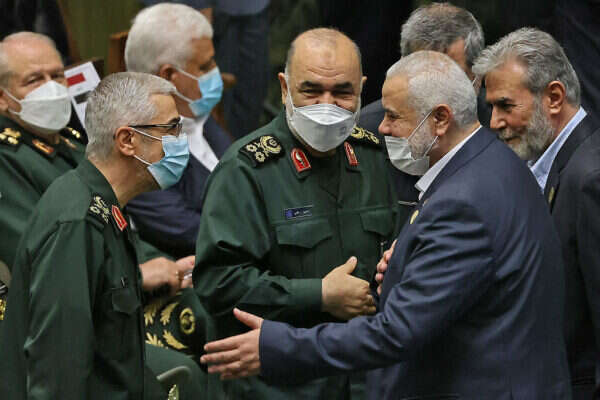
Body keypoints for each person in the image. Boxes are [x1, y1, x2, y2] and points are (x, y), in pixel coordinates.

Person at [199, 51, 572, 399]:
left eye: (394, 116)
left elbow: (396, 331)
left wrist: (277, 346)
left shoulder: (463, 201)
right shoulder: (493, 162)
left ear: (440, 119)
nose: (383, 127)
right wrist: (407, 262)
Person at [189, 28, 396, 399]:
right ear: (284, 88)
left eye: (343, 92)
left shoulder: (373, 157)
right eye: (311, 90)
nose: (327, 105)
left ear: (362, 89)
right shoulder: (247, 170)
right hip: (280, 385)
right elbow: (218, 282)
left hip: (364, 377)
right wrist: (318, 294)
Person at [0, 72, 196, 399]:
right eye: (171, 129)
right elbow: (59, 373)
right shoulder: (77, 222)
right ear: (127, 141)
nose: (180, 139)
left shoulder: (102, 205)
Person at [473, 27, 600, 399]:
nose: (494, 122)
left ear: (554, 98)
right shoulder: (551, 165)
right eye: (491, 107)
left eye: (505, 106)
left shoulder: (590, 178)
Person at [125, 3, 232, 259]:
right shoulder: (137, 150)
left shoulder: (193, 109)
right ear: (170, 76)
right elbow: (191, 232)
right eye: (205, 67)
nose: (216, 73)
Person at [359, 2, 490, 134]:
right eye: (425, 76)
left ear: (477, 74)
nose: (438, 93)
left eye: (452, 76)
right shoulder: (368, 130)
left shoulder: (497, 122)